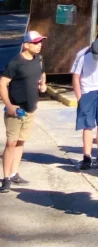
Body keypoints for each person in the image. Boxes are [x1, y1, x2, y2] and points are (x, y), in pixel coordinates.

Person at [0, 31, 46, 193]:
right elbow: (2, 84)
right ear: (26, 45)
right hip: (15, 110)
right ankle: (5, 179)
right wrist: (9, 105)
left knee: (20, 142)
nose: (39, 44)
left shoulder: (38, 59)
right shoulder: (15, 63)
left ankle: (13, 173)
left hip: (30, 110)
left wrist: (43, 85)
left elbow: (42, 73)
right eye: (36, 42)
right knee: (11, 143)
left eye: (41, 42)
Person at [71, 38, 98, 170]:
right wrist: (80, 98)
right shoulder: (82, 56)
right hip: (87, 92)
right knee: (87, 125)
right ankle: (87, 156)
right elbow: (76, 77)